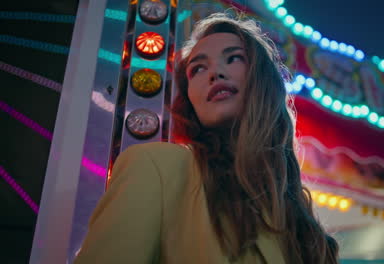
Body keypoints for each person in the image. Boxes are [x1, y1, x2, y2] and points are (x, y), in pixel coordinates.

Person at [74, 13, 338, 264]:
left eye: (233, 58)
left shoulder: (301, 223)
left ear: (262, 79)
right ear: (189, 97)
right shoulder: (156, 166)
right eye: (198, 69)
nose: (215, 74)